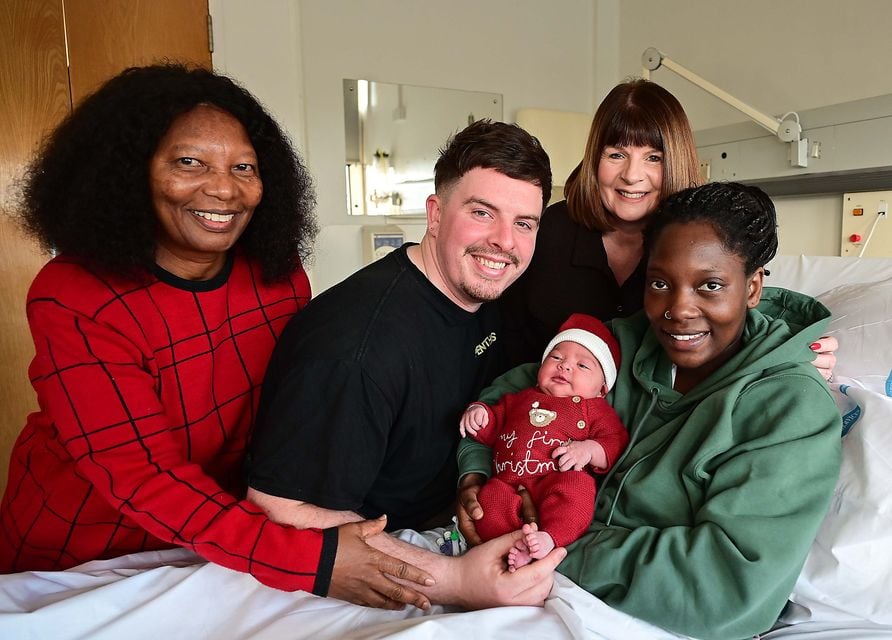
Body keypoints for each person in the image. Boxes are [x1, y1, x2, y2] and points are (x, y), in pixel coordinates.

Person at [0, 64, 438, 612]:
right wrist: (314, 561)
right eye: (189, 162)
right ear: (130, 171)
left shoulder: (278, 279)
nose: (224, 189)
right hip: (78, 557)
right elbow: (141, 477)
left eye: (243, 167)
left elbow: (291, 418)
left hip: (216, 546)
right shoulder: (75, 294)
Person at [457, 182, 843, 639]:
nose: (678, 310)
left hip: (650, 615)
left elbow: (727, 587)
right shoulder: (625, 343)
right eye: (660, 283)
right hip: (528, 571)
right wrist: (475, 473)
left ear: (753, 286)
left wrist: (553, 543)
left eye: (710, 286)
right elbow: (514, 392)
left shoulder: (789, 407)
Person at [244, 119, 553, 534]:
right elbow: (280, 508)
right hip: (375, 540)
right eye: (482, 213)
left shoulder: (485, 296)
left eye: (524, 223)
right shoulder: (358, 349)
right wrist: (444, 568)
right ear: (435, 215)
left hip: (446, 517)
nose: (505, 241)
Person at [496, 79, 837, 373]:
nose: (632, 175)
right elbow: (501, 332)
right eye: (616, 154)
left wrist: (797, 351)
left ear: (676, 161)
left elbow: (739, 318)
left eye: (654, 158)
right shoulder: (547, 231)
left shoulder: (704, 242)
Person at [459, 313, 628, 570]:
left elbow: (615, 441)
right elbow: (492, 425)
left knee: (578, 490)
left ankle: (549, 538)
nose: (565, 366)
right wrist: (479, 413)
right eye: (556, 357)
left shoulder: (596, 409)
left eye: (583, 366)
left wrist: (589, 450)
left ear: (602, 389)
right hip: (507, 480)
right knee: (490, 500)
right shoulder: (518, 399)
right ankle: (511, 547)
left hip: (556, 477)